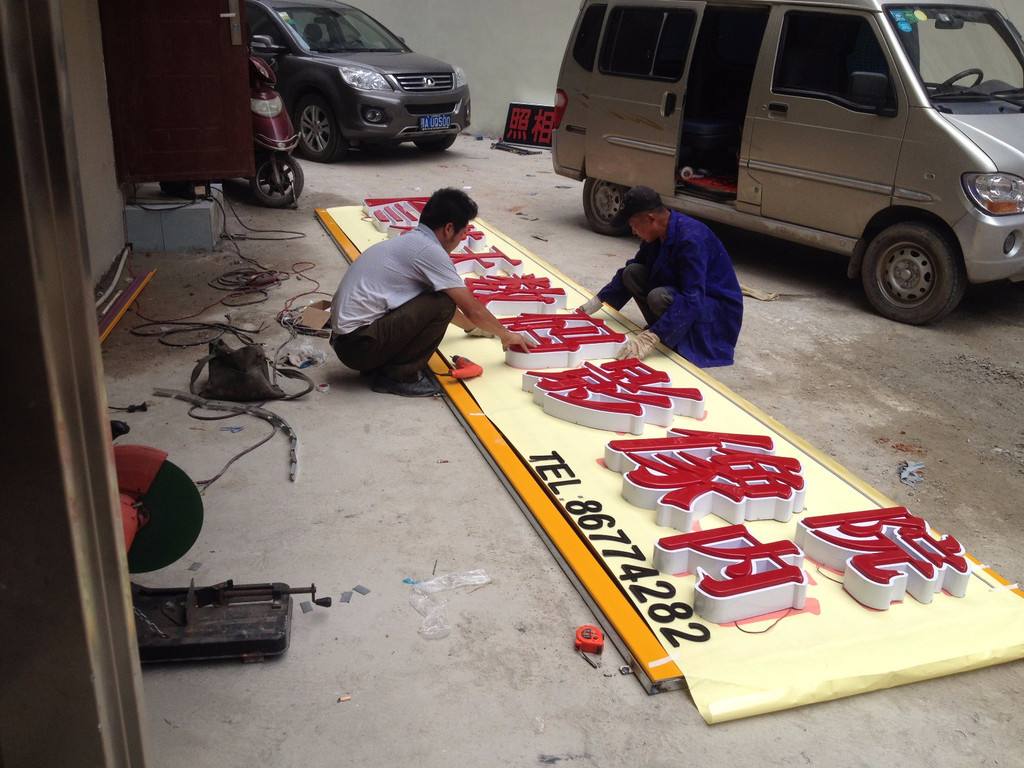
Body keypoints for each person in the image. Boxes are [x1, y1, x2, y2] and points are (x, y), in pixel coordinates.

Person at [330, 188, 534, 397]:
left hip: (348, 342)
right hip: (359, 347)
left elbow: (435, 303)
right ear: (449, 229)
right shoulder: (429, 251)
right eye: (463, 232)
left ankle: (384, 364)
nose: (463, 238)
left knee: (439, 297)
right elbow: (470, 309)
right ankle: (398, 376)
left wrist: (472, 328)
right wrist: (506, 335)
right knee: (444, 303)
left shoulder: (411, 241)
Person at [578, 186, 743, 367]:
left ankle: (669, 337)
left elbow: (693, 297)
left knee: (658, 297)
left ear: (650, 219)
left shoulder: (691, 240)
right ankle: (662, 331)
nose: (633, 232)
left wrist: (653, 336)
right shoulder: (658, 234)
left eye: (633, 225)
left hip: (714, 310)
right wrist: (598, 301)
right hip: (682, 294)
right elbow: (633, 267)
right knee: (632, 272)